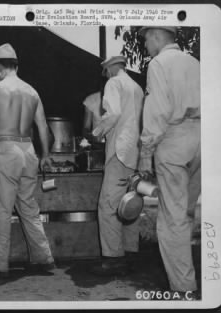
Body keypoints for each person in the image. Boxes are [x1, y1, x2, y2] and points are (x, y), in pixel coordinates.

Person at [0, 43, 55, 277]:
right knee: (29, 207)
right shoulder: (32, 92)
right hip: (29, 150)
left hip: (6, 149)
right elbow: (43, 127)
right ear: (16, 65)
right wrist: (45, 155)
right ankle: (43, 258)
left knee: (0, 210)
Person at [138, 26, 200, 296]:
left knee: (172, 219)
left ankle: (184, 289)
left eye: (146, 40)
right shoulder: (194, 62)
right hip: (203, 137)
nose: (146, 46)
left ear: (155, 36)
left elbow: (158, 111)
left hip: (174, 140)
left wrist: (145, 155)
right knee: (186, 213)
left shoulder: (159, 63)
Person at [90, 56, 144, 275]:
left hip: (119, 150)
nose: (106, 74)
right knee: (129, 202)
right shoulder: (137, 87)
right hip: (134, 152)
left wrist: (96, 133)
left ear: (111, 68)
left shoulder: (113, 83)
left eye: (106, 70)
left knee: (108, 205)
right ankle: (131, 252)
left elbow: (113, 114)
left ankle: (113, 258)